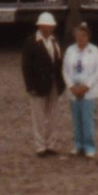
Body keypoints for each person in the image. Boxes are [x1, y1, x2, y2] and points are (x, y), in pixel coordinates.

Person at [21, 12, 68, 156]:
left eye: (50, 26)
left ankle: (51, 144)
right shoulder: (31, 42)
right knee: (39, 117)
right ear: (39, 26)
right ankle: (40, 146)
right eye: (45, 26)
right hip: (38, 85)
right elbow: (26, 67)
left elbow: (59, 63)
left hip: (54, 83)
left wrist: (61, 84)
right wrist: (30, 87)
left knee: (53, 116)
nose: (48, 29)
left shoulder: (55, 41)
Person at [63, 22, 98, 158]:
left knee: (87, 119)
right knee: (76, 119)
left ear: (88, 37)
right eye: (78, 35)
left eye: (83, 35)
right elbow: (65, 70)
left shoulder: (94, 50)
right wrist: (72, 87)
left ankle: (89, 146)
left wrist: (86, 86)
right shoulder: (70, 50)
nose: (80, 38)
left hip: (89, 92)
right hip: (73, 91)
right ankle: (78, 145)